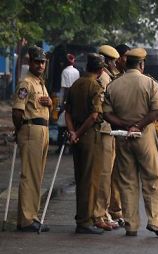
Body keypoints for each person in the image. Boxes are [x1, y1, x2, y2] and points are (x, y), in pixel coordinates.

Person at [103, 48, 158, 238]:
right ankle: (155, 221)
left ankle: (131, 225)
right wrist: (138, 125)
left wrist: (126, 125)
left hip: (122, 136)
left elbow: (106, 113)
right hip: (144, 135)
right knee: (152, 179)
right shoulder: (149, 83)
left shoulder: (114, 85)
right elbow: (157, 110)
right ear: (141, 64)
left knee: (127, 180)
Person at [12, 46, 52, 232]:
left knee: (37, 176)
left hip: (42, 129)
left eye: (43, 62)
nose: (41, 65)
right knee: (29, 175)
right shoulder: (26, 83)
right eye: (37, 61)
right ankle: (27, 219)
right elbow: (18, 111)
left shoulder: (40, 83)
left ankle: (31, 216)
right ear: (30, 62)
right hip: (30, 129)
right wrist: (19, 130)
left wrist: (51, 103)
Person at [64, 53, 106, 235]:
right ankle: (85, 221)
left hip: (77, 136)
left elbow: (67, 112)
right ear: (100, 70)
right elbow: (95, 115)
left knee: (81, 177)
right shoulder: (95, 86)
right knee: (90, 180)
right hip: (89, 136)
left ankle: (82, 218)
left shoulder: (76, 84)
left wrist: (73, 132)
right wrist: (79, 133)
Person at [93, 45, 121, 230]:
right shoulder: (103, 79)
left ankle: (103, 211)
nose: (114, 65)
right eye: (111, 61)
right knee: (103, 175)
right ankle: (99, 214)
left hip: (108, 130)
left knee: (107, 174)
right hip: (103, 129)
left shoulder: (109, 77)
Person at [56, 53, 80, 154]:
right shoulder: (77, 71)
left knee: (61, 125)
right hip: (75, 100)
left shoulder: (65, 71)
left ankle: (61, 146)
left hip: (67, 100)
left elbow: (66, 88)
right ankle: (71, 146)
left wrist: (63, 104)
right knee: (72, 124)